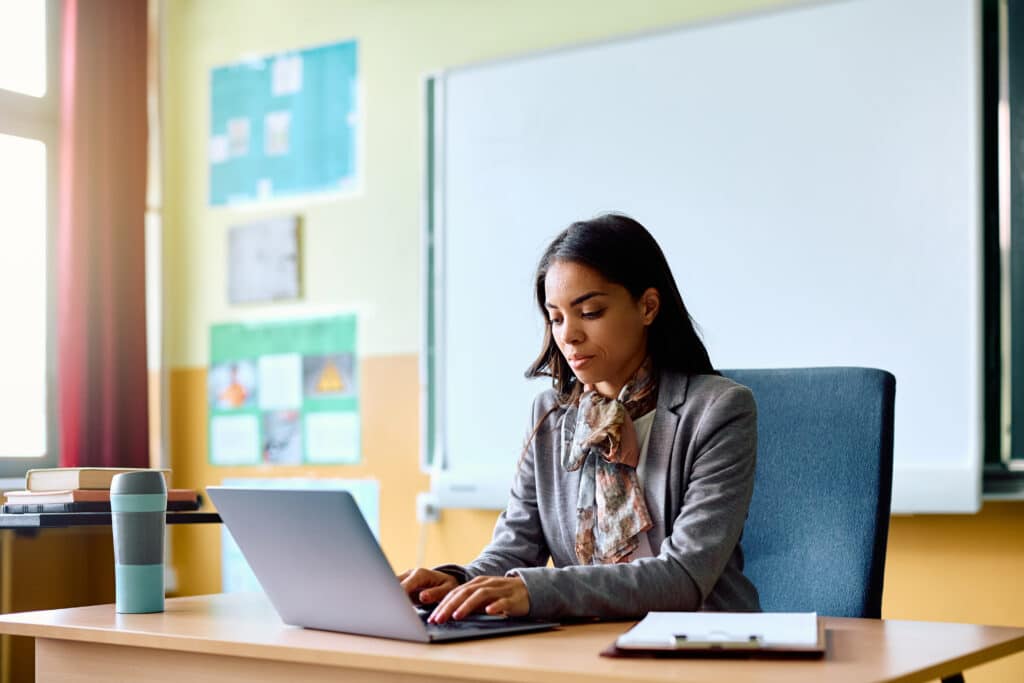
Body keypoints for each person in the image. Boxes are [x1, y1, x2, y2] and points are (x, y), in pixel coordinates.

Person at [400, 213, 760, 623]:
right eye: (556, 317)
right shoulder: (551, 415)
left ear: (648, 307)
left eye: (589, 312)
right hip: (587, 642)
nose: (568, 335)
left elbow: (683, 577)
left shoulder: (719, 410)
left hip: (701, 645)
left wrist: (536, 590)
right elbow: (515, 548)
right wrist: (458, 582)